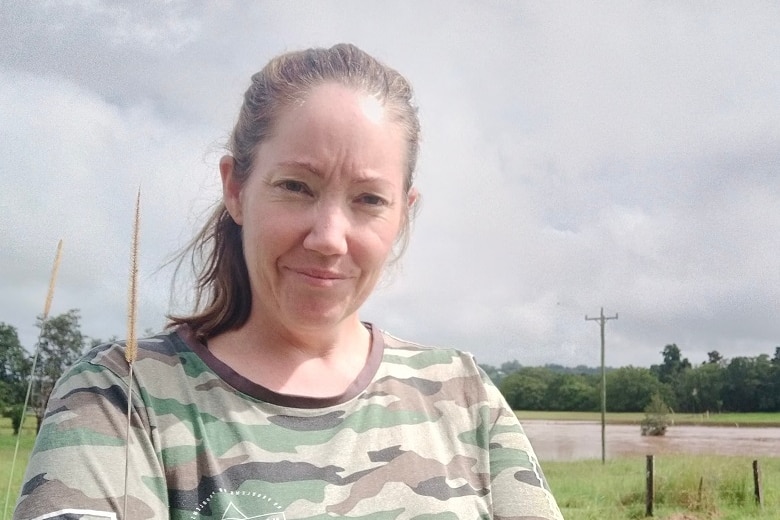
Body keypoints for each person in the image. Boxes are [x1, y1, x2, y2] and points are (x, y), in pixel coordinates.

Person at [15, 43, 563, 520]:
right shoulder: (121, 399)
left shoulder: (461, 394)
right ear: (236, 189)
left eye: (369, 199)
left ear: (403, 214)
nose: (329, 236)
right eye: (297, 187)